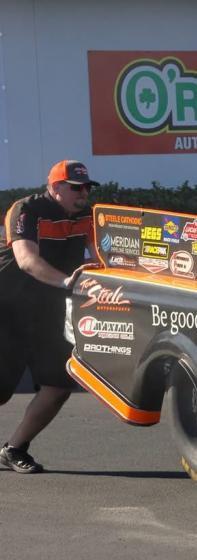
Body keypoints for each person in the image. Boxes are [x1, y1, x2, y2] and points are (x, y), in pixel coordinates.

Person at [0, 160, 99, 473]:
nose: (83, 193)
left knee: (58, 386)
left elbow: (107, 257)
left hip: (49, 311)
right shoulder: (26, 210)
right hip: (8, 309)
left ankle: (14, 449)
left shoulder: (89, 216)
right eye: (76, 188)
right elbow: (27, 261)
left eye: (87, 187)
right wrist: (68, 281)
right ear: (56, 187)